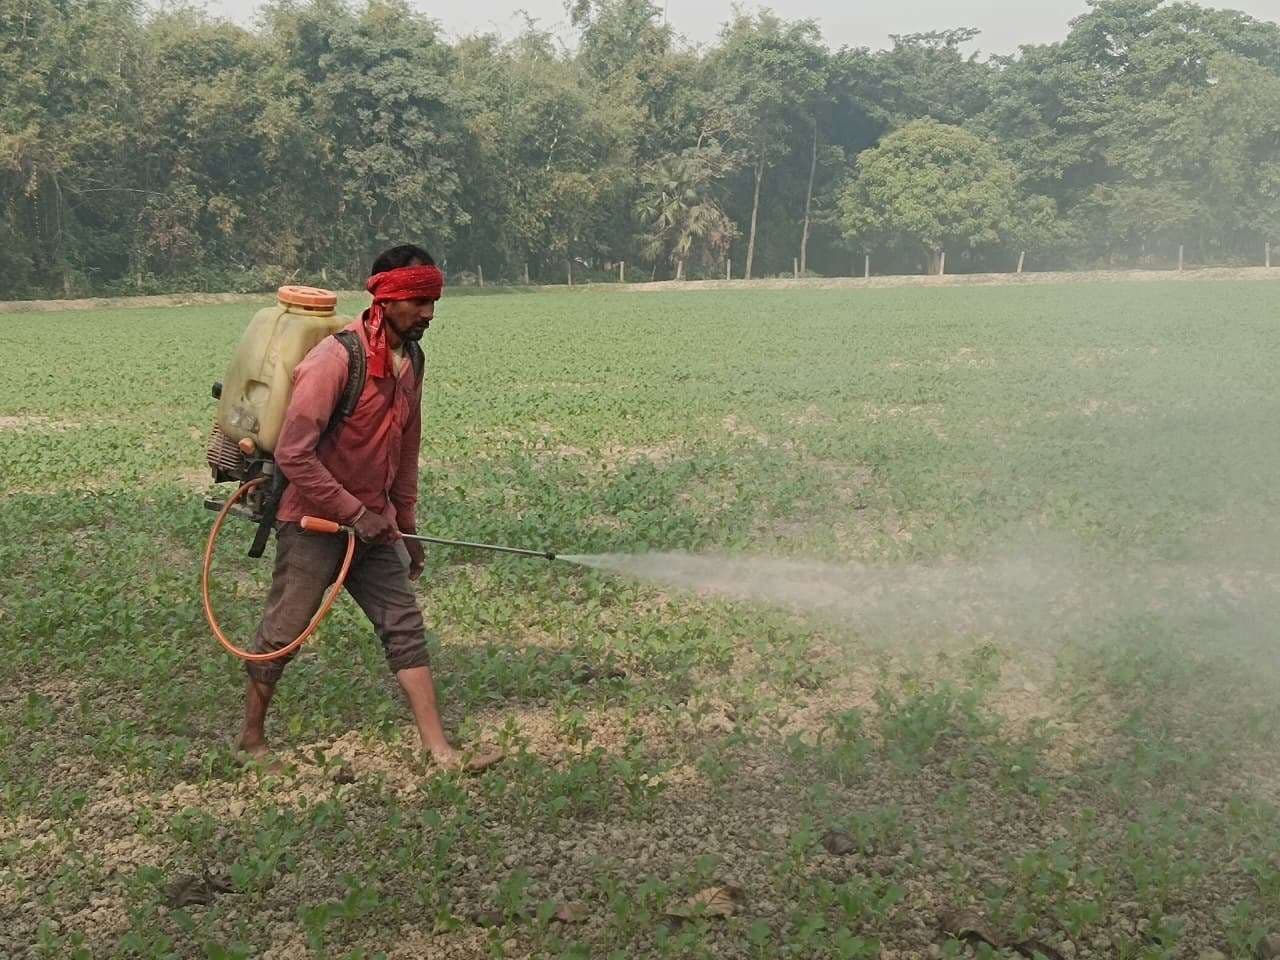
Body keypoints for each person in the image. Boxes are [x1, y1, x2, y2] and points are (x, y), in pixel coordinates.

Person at [235, 243, 501, 772]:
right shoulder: (336, 359)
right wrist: (356, 514)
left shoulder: (412, 361)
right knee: (283, 633)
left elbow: (406, 449)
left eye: (433, 301)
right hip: (313, 521)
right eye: (418, 302)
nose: (428, 313)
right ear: (385, 299)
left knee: (403, 625)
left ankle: (440, 750)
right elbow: (294, 454)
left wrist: (406, 525)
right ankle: (250, 739)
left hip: (375, 526)